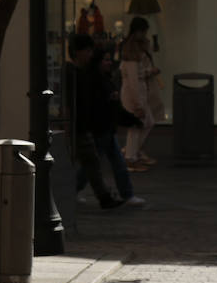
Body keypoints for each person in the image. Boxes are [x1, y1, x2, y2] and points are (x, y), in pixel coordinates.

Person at [65, 33, 132, 209]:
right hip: (78, 125)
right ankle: (99, 196)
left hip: (84, 125)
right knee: (90, 162)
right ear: (77, 52)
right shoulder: (75, 74)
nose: (90, 54)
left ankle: (100, 196)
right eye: (87, 51)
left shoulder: (83, 73)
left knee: (91, 162)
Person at [118, 16, 161, 171]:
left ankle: (132, 152)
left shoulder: (134, 48)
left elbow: (137, 75)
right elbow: (134, 80)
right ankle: (131, 157)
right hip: (133, 92)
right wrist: (137, 104)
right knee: (138, 124)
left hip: (136, 90)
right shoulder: (132, 50)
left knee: (144, 122)